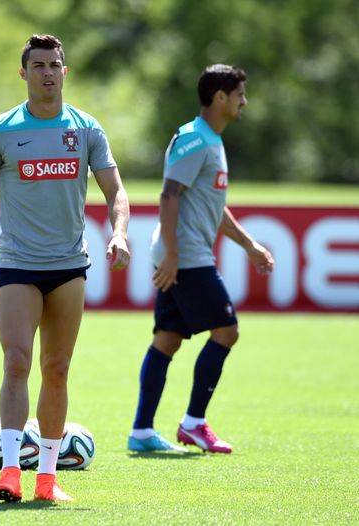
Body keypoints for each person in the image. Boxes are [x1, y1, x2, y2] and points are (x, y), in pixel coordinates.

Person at [0, 34, 130, 502]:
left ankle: (47, 481)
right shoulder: (0, 131)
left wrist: (118, 232)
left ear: (64, 71)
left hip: (70, 267)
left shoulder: (87, 129)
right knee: (16, 361)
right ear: (24, 73)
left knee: (57, 368)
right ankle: (10, 471)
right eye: (39, 65)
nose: (48, 72)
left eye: (55, 64)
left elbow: (117, 192)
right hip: (16, 266)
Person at [127, 64, 274, 454]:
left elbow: (213, 207)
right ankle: (193, 423)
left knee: (168, 339)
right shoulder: (195, 139)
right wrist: (173, 255)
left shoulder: (211, 139)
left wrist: (249, 245)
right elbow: (169, 195)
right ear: (220, 97)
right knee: (227, 330)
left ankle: (141, 432)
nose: (245, 101)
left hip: (183, 252)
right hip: (186, 255)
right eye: (240, 94)